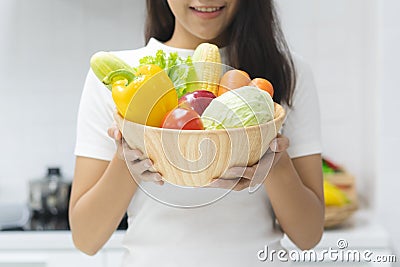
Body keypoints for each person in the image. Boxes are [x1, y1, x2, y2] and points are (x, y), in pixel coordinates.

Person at [69, 0, 325, 266]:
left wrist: (274, 161)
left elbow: (308, 236)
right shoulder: (122, 78)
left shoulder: (289, 72)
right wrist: (128, 159)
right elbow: (86, 239)